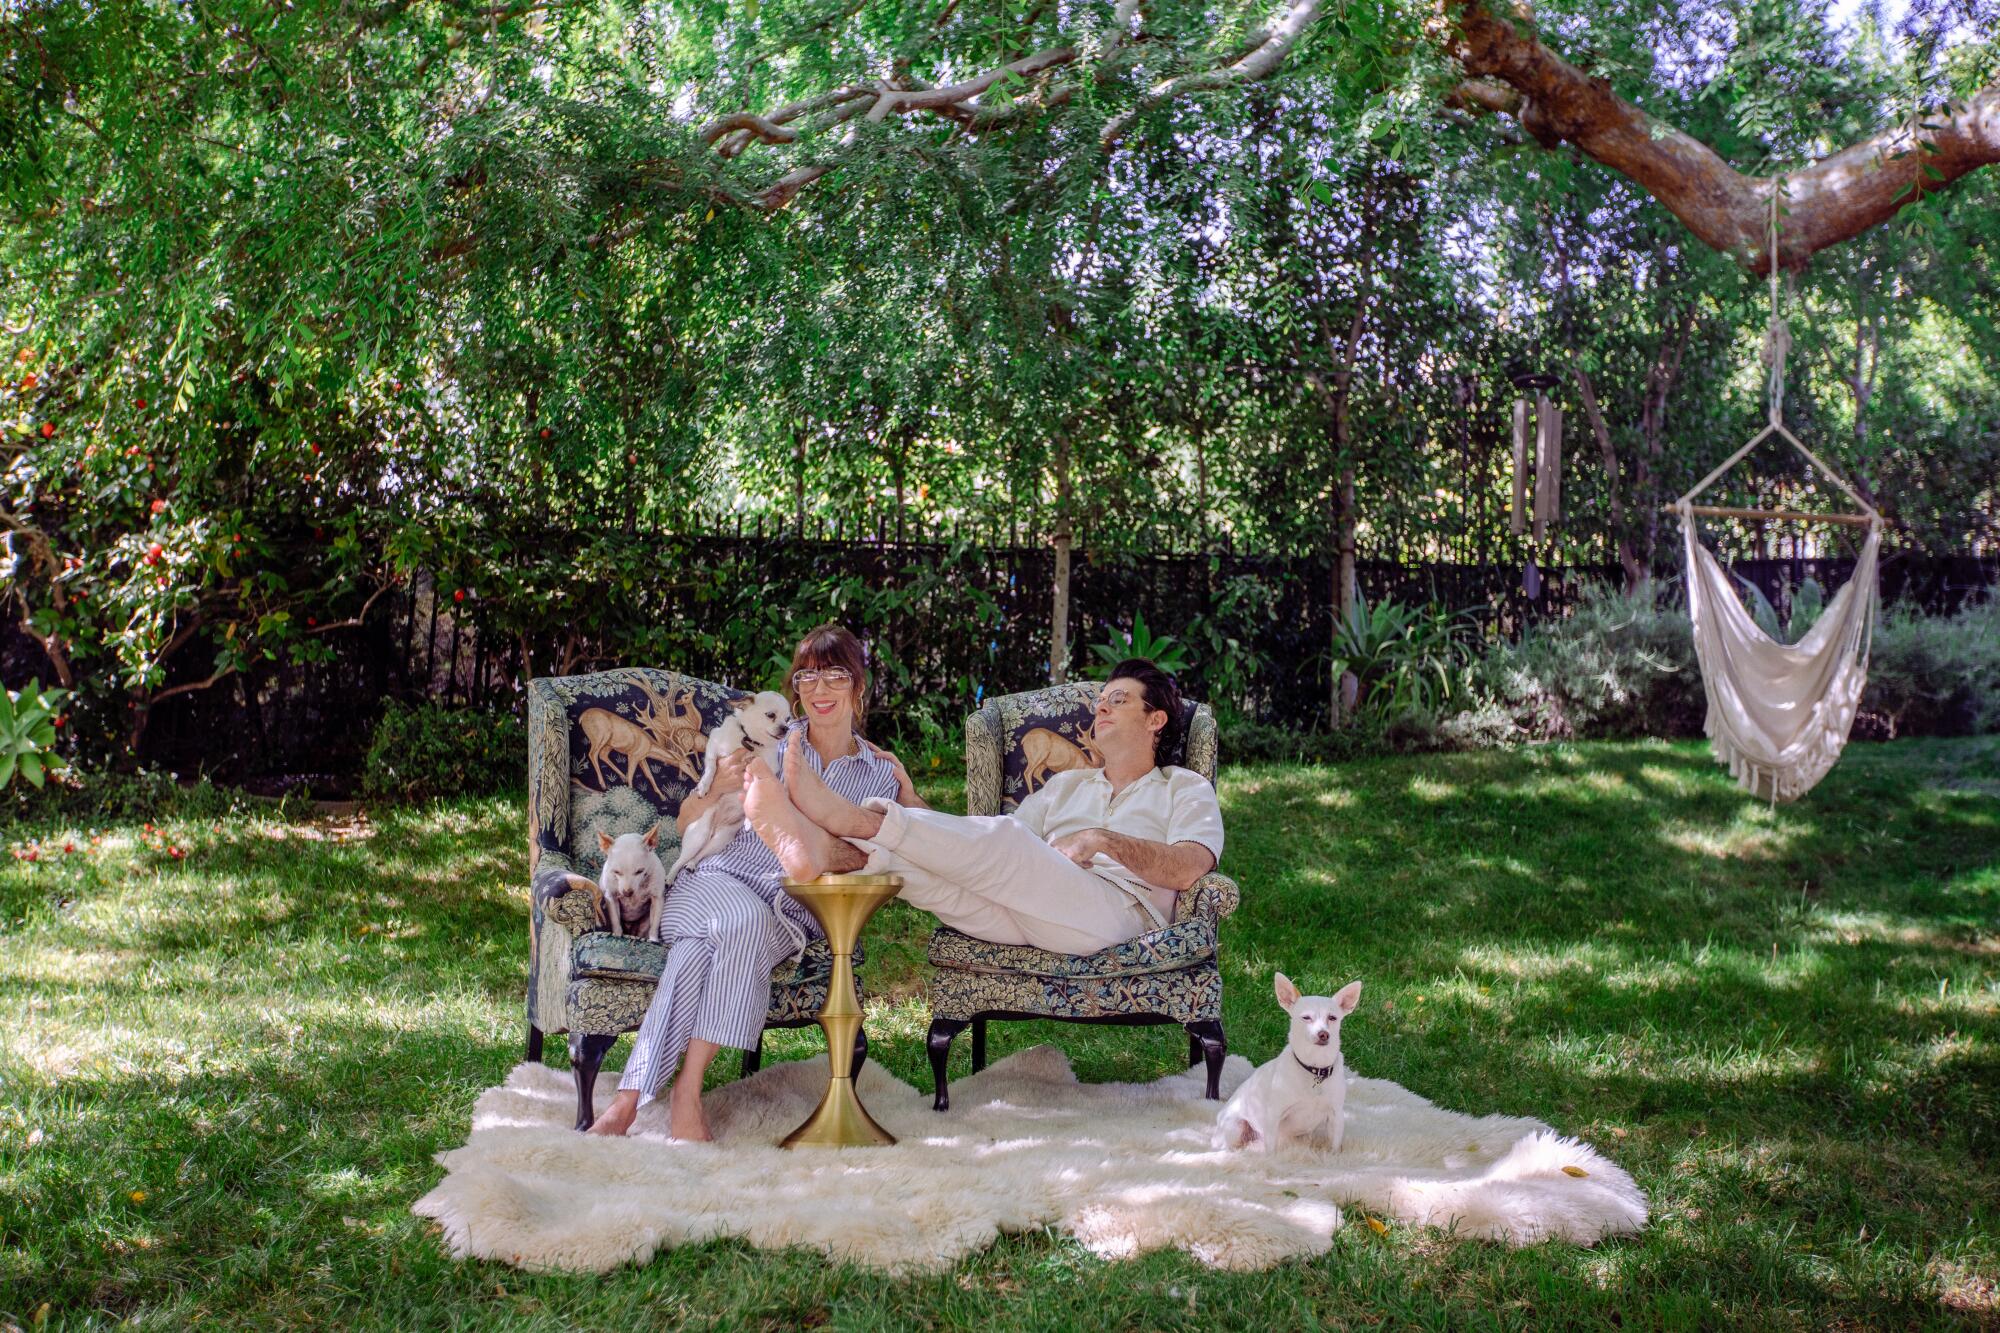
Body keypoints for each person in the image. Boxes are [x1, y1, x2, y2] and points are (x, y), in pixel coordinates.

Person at [585, 624, 914, 1141]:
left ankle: (629, 1101)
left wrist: (903, 792)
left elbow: (907, 843)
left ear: (858, 684)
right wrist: (716, 782)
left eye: (834, 676)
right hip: (710, 881)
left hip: (791, 908)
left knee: (706, 947)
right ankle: (685, 1097)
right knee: (740, 919)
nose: (819, 690)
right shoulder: (767, 738)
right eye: (807, 678)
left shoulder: (878, 773)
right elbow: (685, 822)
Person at [786, 659, 1222, 956]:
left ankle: (853, 818)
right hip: (1027, 911)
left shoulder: (1183, 787)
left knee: (1011, 839)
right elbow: (986, 844)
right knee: (904, 869)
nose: (1101, 707)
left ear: (1156, 719)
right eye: (1101, 701)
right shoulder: (1066, 785)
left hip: (1121, 914)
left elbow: (1189, 868)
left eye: (1119, 700)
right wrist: (913, 801)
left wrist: (1099, 840)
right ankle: (829, 845)